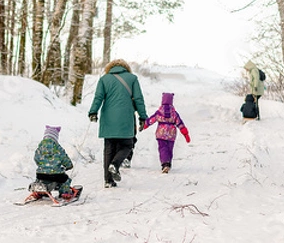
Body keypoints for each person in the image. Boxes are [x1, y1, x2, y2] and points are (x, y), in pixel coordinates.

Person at [88, 59, 148, 188]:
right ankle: (115, 165)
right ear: (126, 68)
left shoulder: (104, 79)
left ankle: (108, 181)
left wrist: (93, 112)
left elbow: (98, 97)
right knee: (127, 145)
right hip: (126, 117)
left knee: (109, 148)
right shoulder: (132, 79)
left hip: (108, 118)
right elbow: (138, 99)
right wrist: (142, 117)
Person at [142, 92, 190, 173]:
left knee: (162, 148)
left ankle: (165, 164)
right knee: (170, 149)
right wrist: (185, 134)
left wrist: (145, 125)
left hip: (161, 134)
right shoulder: (174, 113)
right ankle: (168, 163)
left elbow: (151, 120)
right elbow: (180, 123)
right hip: (171, 134)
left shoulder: (159, 112)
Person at [33, 125, 79, 199]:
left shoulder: (40, 147)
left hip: (41, 174)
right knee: (65, 180)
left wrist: (42, 165)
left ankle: (40, 191)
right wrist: (69, 165)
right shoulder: (58, 148)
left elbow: (36, 158)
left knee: (40, 180)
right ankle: (64, 192)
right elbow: (64, 158)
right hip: (56, 174)